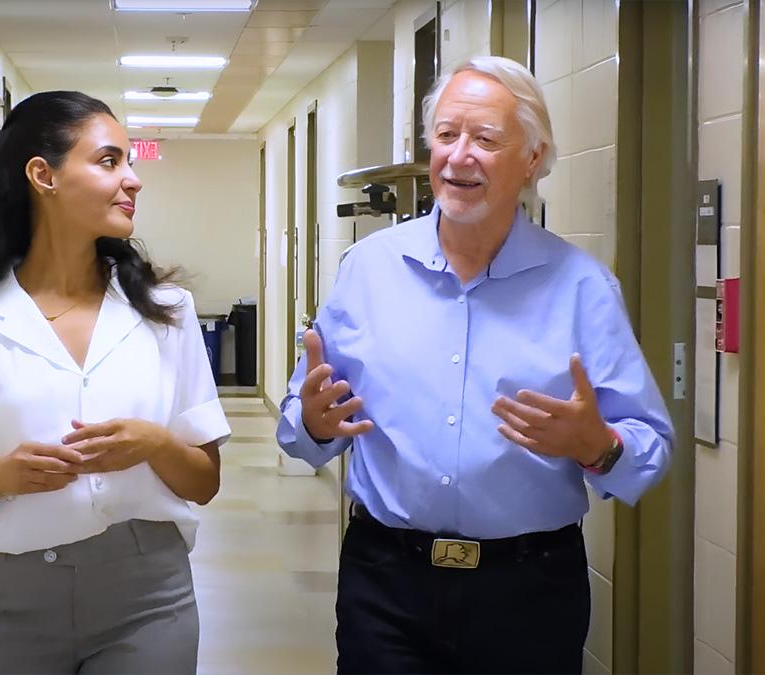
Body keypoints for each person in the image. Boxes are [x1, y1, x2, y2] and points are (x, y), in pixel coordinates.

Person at [277, 56, 674, 674]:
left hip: (530, 591)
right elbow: (301, 426)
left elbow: (648, 452)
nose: (460, 156)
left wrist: (597, 445)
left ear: (533, 159)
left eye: (486, 139)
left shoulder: (582, 289)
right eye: (446, 135)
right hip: (387, 583)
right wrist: (315, 423)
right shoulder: (369, 270)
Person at [0, 91, 229, 675]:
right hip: (7, 602)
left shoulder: (168, 313)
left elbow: (205, 482)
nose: (134, 180)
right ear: (43, 175)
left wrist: (154, 444)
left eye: (130, 161)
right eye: (110, 161)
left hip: (147, 595)